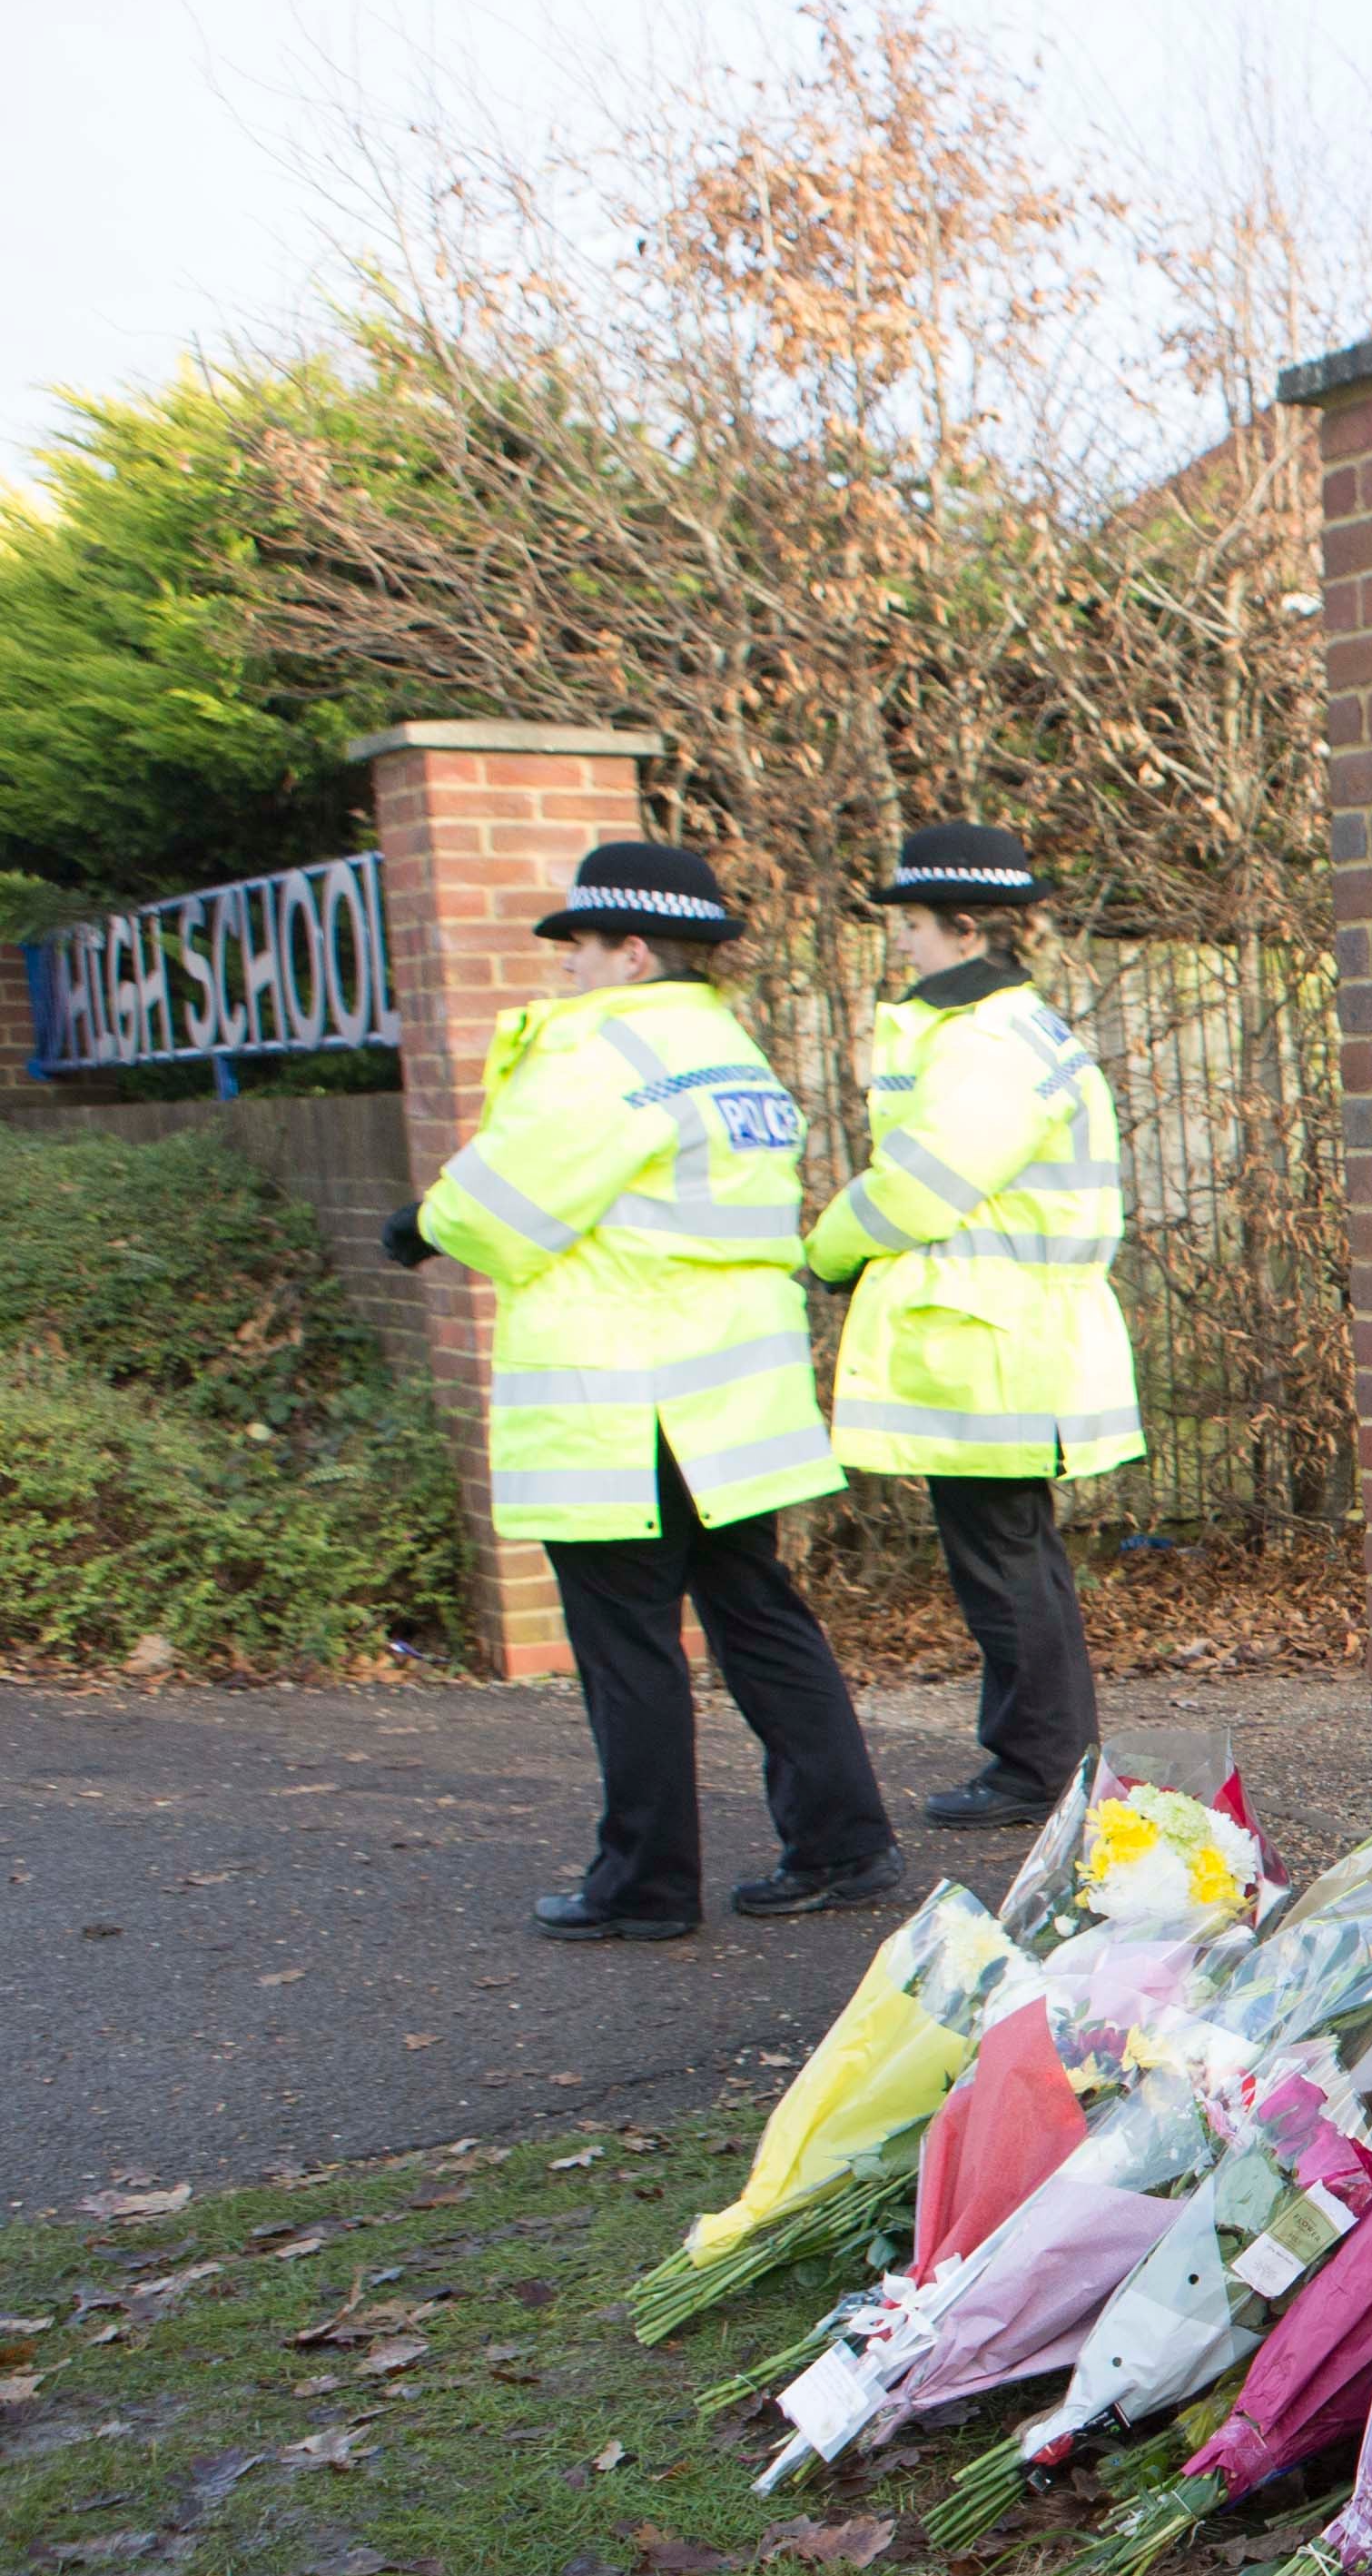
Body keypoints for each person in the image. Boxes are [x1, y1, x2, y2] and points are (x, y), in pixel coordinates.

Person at [390, 839, 903, 1942]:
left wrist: (418, 1224)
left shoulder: (599, 1054)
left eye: (574, 947)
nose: (562, 969)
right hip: (732, 1397)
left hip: (622, 1400)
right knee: (760, 1619)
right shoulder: (731, 1053)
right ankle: (843, 1844)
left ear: (628, 951)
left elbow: (502, 1208)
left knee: (628, 1646)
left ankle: (645, 1885)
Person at [807, 821, 1143, 1832]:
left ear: (959, 927)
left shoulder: (985, 1042)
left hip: (985, 1340)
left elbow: (926, 1182)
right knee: (1011, 1557)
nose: (900, 944)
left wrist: (826, 1248)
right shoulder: (1013, 1029)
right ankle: (1040, 1759)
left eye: (908, 925)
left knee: (1002, 1564)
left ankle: (1035, 1768)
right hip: (1003, 1333)